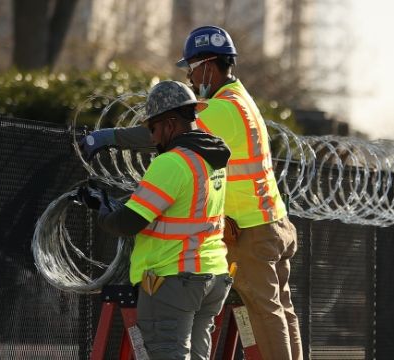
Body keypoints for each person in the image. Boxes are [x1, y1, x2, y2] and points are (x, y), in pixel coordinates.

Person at [81, 26, 302, 360]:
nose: (189, 74)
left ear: (209, 66)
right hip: (271, 220)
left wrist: (107, 138)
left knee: (264, 315)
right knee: (280, 310)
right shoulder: (242, 101)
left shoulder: (224, 108)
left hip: (250, 230)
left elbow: (166, 129)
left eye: (192, 67)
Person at [84, 80, 233, 360]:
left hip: (174, 278)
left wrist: (102, 210)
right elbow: (179, 208)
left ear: (170, 124)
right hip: (211, 276)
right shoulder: (212, 159)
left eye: (152, 128)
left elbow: (128, 223)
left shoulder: (172, 162)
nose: (152, 137)